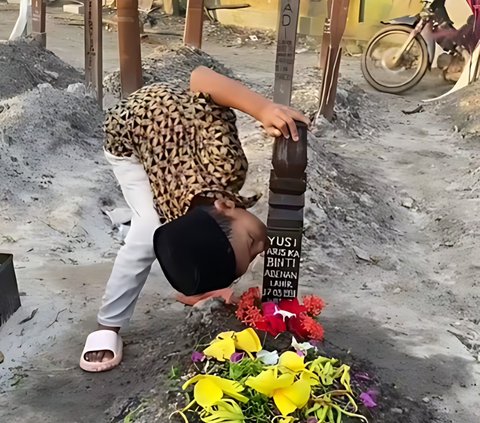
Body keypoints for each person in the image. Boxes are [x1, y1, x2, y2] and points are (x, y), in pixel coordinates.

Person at [79, 66, 309, 372]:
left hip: (172, 127)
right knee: (146, 231)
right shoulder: (201, 183)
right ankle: (108, 325)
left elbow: (200, 80)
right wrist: (262, 108)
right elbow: (200, 76)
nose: (262, 246)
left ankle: (200, 286)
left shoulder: (220, 171)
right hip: (128, 138)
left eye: (252, 245)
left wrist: (263, 110)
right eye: (254, 245)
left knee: (199, 248)